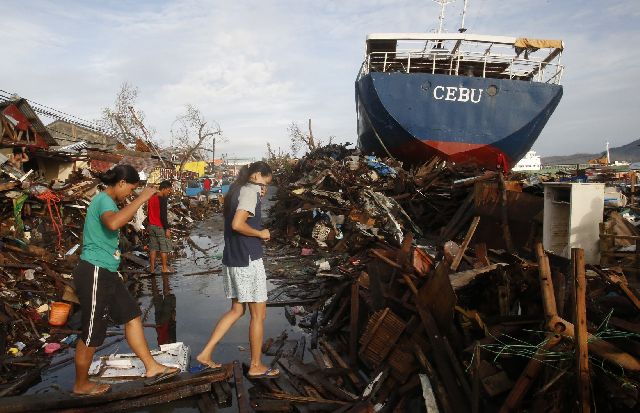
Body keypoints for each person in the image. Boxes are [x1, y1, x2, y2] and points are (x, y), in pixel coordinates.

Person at [72, 165, 179, 396]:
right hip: (95, 271)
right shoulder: (103, 200)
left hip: (107, 271)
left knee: (132, 315)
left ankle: (152, 367)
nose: (130, 193)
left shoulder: (109, 201)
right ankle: (81, 384)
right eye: (131, 188)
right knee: (92, 332)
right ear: (121, 183)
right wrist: (141, 198)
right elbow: (113, 223)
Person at [196, 161, 278, 378]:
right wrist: (261, 234)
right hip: (248, 259)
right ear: (257, 175)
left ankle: (205, 353)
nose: (263, 188)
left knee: (236, 310)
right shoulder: (249, 191)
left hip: (233, 257)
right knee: (258, 315)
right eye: (264, 183)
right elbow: (238, 224)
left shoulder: (236, 189)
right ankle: (256, 365)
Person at [148, 180, 173, 274]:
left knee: (153, 248)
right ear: (164, 188)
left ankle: (152, 269)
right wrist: (167, 228)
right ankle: (164, 268)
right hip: (159, 226)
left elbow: (149, 211)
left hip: (151, 226)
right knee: (164, 248)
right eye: (169, 190)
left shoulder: (151, 197)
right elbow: (163, 215)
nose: (169, 192)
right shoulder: (162, 198)